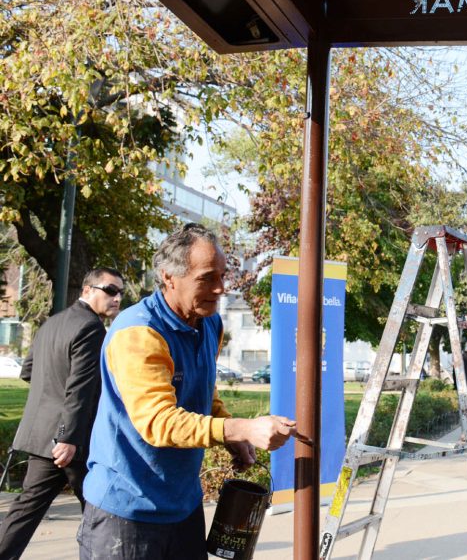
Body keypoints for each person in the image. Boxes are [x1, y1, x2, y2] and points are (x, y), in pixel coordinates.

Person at [77, 224, 296, 559]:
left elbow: (202, 389)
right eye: (207, 277)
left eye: (223, 275)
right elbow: (158, 421)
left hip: (183, 505)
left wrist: (229, 433)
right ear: (169, 278)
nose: (221, 288)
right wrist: (242, 428)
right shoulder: (138, 332)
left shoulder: (210, 323)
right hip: (126, 511)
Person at [0, 268, 124, 560]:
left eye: (120, 292)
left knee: (26, 510)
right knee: (101, 510)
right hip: (71, 443)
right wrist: (66, 437)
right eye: (110, 290)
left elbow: (29, 372)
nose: (117, 298)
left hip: (45, 437)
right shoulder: (91, 327)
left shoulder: (51, 323)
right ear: (87, 290)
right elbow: (79, 388)